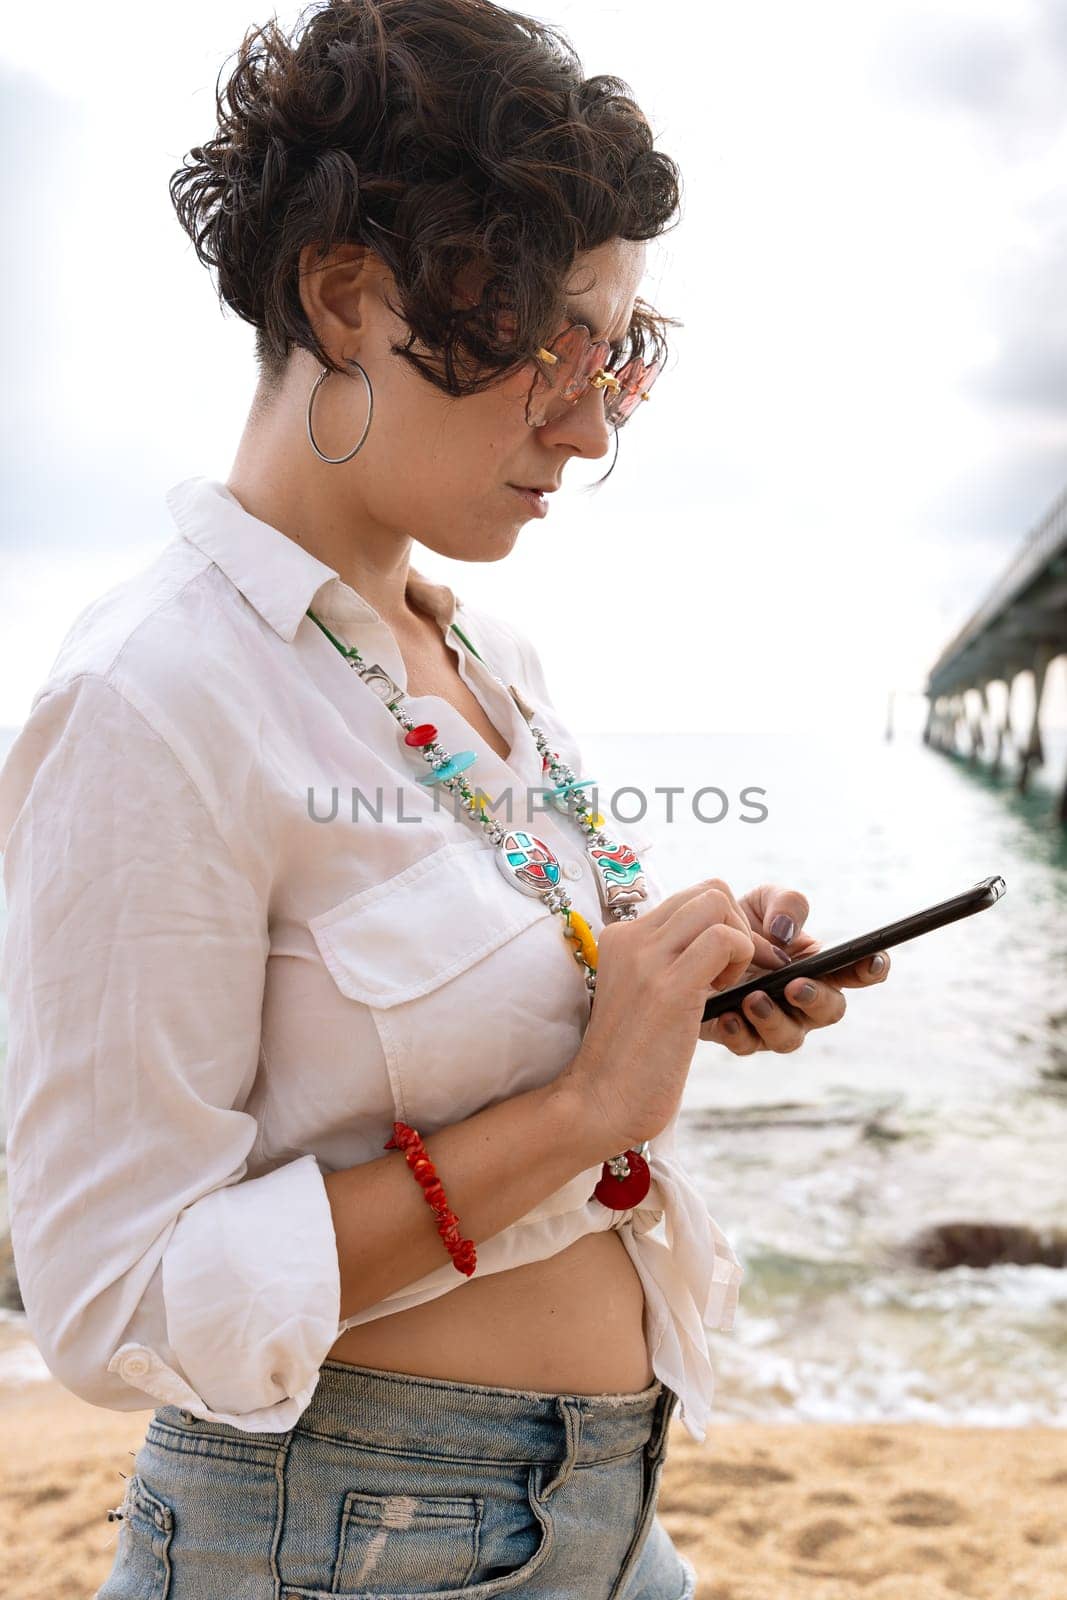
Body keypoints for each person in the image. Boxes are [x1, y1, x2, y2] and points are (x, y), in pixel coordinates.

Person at [0, 1, 891, 1595]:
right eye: (557, 345)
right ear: (348, 297)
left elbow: (512, 996)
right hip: (342, 1535)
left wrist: (679, 982)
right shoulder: (150, 698)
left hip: (606, 1510)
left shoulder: (488, 654)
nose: (596, 417)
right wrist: (578, 1115)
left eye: (626, 351)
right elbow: (112, 1300)